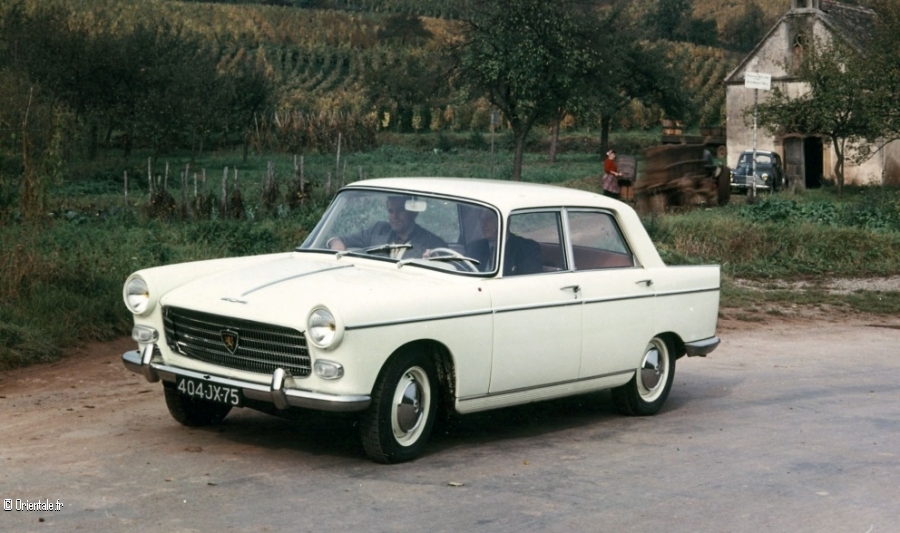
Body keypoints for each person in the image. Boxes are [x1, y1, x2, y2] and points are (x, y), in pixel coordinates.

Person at [328, 196, 446, 259]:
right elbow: (338, 240)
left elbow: (453, 265)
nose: (394, 216)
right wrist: (336, 245)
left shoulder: (433, 243)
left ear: (414, 213)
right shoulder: (377, 230)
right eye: (390, 211)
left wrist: (437, 262)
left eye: (400, 211)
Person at [466, 211, 542, 276]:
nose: (484, 224)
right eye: (482, 219)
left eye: (489, 218)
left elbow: (529, 284)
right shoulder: (475, 247)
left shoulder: (526, 249)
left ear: (506, 221)